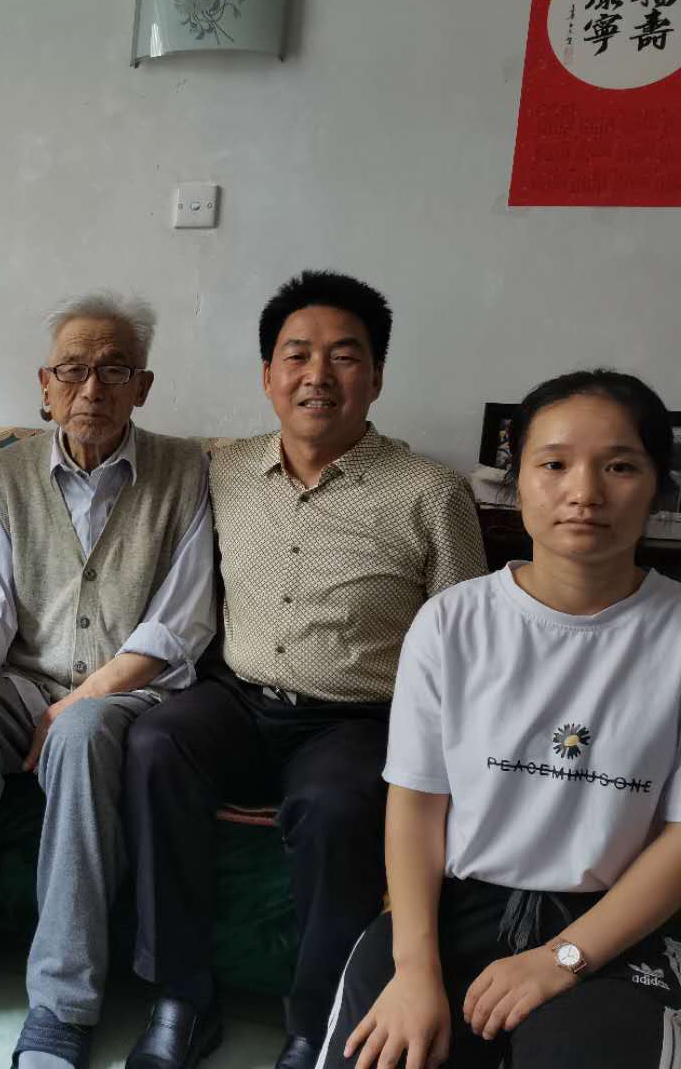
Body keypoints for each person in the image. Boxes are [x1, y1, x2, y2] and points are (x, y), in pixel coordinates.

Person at [122, 271, 487, 1069]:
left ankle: (315, 1023)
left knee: (335, 803)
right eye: (297, 355)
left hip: (357, 718)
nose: (318, 375)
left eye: (343, 356)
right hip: (236, 699)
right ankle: (181, 996)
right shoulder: (223, 472)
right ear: (268, 376)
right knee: (153, 744)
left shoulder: (432, 492)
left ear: (376, 377)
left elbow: (468, 636)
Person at [0, 291, 217, 1069]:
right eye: (74, 370)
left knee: (81, 736)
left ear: (142, 386)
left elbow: (180, 622)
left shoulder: (184, 469)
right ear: (45, 384)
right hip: (25, 676)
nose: (92, 389)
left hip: (129, 687)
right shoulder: (6, 471)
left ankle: (63, 999)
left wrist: (81, 700)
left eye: (114, 370)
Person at [321, 369, 681, 1069]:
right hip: (456, 910)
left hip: (616, 921)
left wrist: (563, 958)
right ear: (516, 481)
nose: (584, 492)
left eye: (619, 466)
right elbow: (417, 806)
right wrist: (415, 969)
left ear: (659, 489)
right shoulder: (452, 623)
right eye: (554, 464)